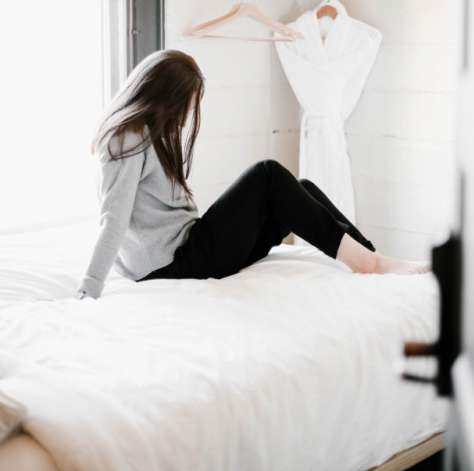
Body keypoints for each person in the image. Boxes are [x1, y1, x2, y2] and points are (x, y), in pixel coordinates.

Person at [77, 50, 429, 300]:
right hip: (176, 263)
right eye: (187, 104)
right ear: (165, 99)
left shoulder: (147, 132)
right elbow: (114, 218)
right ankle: (370, 263)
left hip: (190, 251)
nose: (188, 115)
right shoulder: (126, 139)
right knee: (268, 174)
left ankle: (371, 258)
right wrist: (89, 289)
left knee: (299, 190)